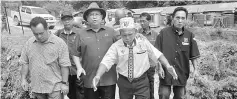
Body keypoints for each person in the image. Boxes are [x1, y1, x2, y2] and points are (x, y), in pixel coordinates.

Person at [92, 17, 178, 99]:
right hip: (124, 82)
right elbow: (106, 62)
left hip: (142, 81)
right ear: (120, 33)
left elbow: (157, 54)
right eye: (124, 35)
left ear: (135, 32)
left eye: (130, 34)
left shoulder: (143, 42)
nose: (127, 38)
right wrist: (98, 76)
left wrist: (167, 65)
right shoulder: (116, 46)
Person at [72, 2, 118, 99]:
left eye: (97, 14)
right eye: (91, 15)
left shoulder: (111, 32)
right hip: (89, 77)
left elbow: (123, 45)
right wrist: (79, 67)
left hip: (108, 77)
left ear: (102, 17)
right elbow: (75, 53)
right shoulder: (81, 34)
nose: (94, 17)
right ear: (87, 18)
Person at [20, 17, 71, 99]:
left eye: (41, 33)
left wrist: (64, 83)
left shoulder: (59, 43)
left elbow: (64, 65)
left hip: (55, 88)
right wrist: (23, 79)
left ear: (47, 28)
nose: (39, 36)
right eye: (35, 34)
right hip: (37, 87)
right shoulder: (29, 43)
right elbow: (25, 62)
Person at [155, 7, 200, 99]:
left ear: (186, 19)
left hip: (181, 73)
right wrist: (159, 67)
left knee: (180, 96)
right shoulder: (163, 33)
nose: (180, 21)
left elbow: (194, 55)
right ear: (173, 18)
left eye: (183, 18)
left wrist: (196, 70)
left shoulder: (190, 35)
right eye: (177, 18)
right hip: (166, 72)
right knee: (164, 95)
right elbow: (157, 53)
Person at [54, 11, 84, 99]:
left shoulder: (80, 33)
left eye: (69, 19)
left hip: (78, 69)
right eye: (64, 19)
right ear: (61, 21)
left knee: (81, 94)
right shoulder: (58, 34)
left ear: (73, 20)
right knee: (69, 94)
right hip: (64, 71)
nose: (67, 21)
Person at [138, 12, 164, 99]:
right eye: (140, 21)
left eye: (144, 21)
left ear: (149, 21)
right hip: (139, 67)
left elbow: (158, 52)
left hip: (151, 67)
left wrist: (159, 66)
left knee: (150, 87)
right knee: (139, 89)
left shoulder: (155, 35)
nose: (142, 23)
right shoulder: (137, 34)